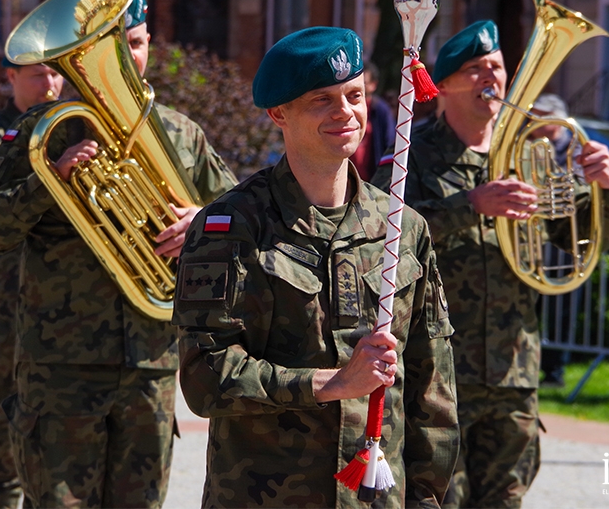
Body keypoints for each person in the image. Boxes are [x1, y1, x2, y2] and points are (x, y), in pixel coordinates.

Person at [0, 0, 238, 507]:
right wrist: (47, 183)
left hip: (150, 366)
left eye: (135, 44)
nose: (130, 59)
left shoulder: (181, 133)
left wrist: (204, 224)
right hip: (60, 368)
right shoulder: (42, 133)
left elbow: (244, 223)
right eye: (116, 46)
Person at [173, 26, 459, 508]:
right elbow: (206, 378)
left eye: (353, 94)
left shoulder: (402, 228)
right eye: (321, 100)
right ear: (278, 113)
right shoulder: (232, 227)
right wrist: (333, 383)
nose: (344, 111)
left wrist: (428, 496)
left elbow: (432, 383)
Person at [373, 20, 609, 508]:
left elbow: (587, 238)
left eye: (496, 67)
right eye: (474, 69)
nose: (490, 76)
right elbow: (383, 234)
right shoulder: (410, 155)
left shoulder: (528, 153)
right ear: (442, 86)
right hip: (438, 371)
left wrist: (608, 189)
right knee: (438, 498)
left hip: (514, 368)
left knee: (506, 500)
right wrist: (471, 203)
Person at [0, 57, 63, 508]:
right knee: (11, 408)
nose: (51, 83)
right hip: (13, 297)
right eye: (38, 75)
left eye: (55, 73)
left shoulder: (72, 127)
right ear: (12, 78)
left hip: (66, 301)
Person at [528, 93, 579, 388]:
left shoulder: (574, 147)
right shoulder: (529, 146)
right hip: (536, 238)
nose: (534, 122)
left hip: (562, 242)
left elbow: (578, 184)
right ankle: (536, 365)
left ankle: (556, 370)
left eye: (540, 116)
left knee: (561, 311)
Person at [348, 62, 396, 181]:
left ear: (373, 85)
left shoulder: (381, 110)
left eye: (363, 83)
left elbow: (389, 144)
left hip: (372, 180)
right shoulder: (344, 108)